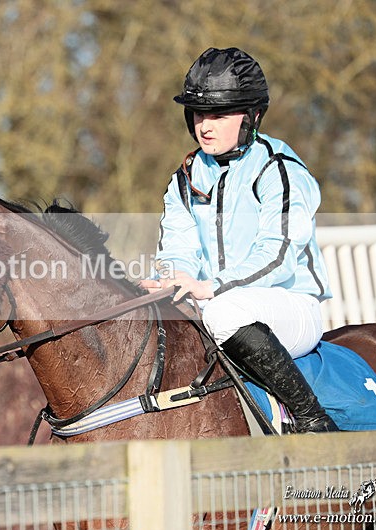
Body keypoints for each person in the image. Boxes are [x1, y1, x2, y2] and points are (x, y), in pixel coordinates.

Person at [141, 47, 338, 433]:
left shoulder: (278, 168)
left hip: (289, 305)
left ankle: (315, 422)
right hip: (215, 302)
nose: (205, 126)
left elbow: (277, 256)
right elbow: (176, 248)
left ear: (252, 117)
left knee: (222, 311)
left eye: (218, 115)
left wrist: (208, 287)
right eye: (199, 114)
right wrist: (168, 279)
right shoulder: (186, 177)